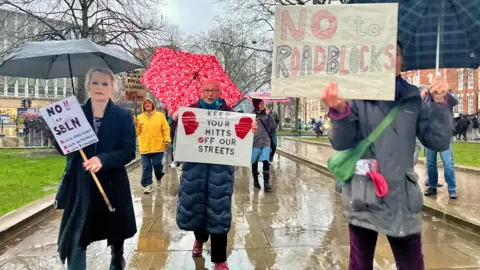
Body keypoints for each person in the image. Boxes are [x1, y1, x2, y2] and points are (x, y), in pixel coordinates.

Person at [323, 43, 453, 270]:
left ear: (402, 62)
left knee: (412, 263)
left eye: (398, 53)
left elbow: (438, 142)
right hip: (363, 193)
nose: (392, 57)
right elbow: (341, 142)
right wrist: (339, 111)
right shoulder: (355, 96)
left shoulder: (413, 98)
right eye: (385, 52)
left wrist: (441, 105)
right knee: (360, 264)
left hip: (402, 196)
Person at [54, 67, 137, 270]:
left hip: (112, 184)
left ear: (113, 89)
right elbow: (63, 150)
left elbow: (128, 151)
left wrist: (103, 159)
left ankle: (117, 256)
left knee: (115, 229)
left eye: (105, 83)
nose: (99, 87)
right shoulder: (74, 114)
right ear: (88, 86)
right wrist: (58, 131)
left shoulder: (123, 116)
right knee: (77, 236)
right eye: (95, 83)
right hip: (82, 186)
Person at [176, 79, 257, 270]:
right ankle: (199, 240)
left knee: (219, 212)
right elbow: (179, 138)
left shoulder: (230, 115)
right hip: (194, 171)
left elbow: (241, 140)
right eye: (206, 90)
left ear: (220, 93)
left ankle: (220, 259)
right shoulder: (190, 111)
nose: (210, 94)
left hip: (220, 173)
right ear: (201, 92)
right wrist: (175, 122)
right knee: (197, 209)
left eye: (214, 90)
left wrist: (251, 131)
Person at [135, 98, 171, 194]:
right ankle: (148, 185)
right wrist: (135, 125)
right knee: (146, 166)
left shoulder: (160, 116)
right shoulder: (139, 117)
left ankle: (159, 177)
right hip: (144, 147)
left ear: (152, 105)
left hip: (158, 146)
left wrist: (167, 139)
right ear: (143, 106)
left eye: (149, 103)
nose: (147, 104)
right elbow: (137, 133)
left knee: (157, 165)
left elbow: (166, 129)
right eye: (145, 103)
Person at [251, 98, 276, 192]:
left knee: (266, 161)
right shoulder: (251, 115)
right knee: (254, 162)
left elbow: (273, 127)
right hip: (255, 143)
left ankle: (266, 184)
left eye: (263, 103)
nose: (262, 105)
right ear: (256, 104)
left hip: (266, 142)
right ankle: (256, 181)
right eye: (260, 103)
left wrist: (270, 116)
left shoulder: (267, 114)